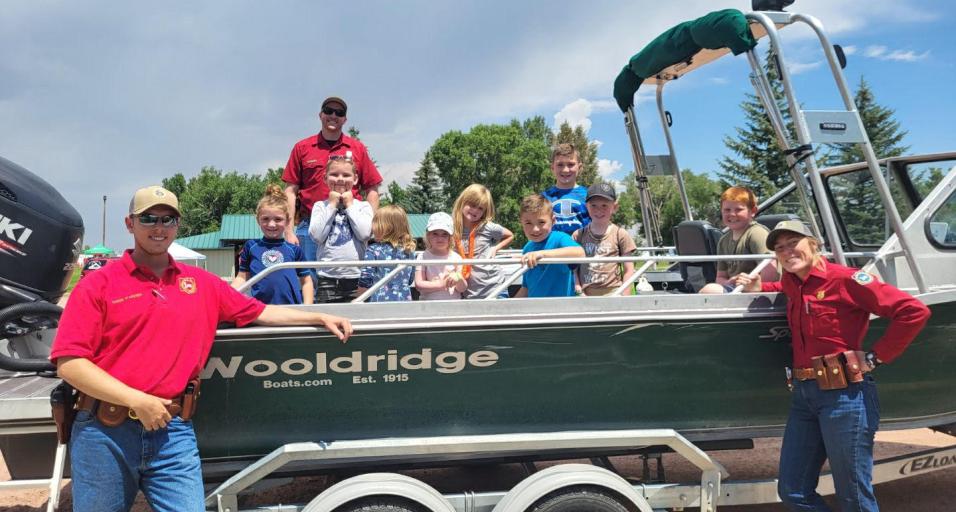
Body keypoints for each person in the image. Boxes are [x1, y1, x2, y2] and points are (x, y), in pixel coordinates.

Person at [50, 185, 352, 512]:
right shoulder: (98, 284)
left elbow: (260, 312)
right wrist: (136, 400)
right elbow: (70, 363)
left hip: (173, 431)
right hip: (104, 434)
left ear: (178, 226)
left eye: (168, 219)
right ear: (130, 224)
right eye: (149, 218)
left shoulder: (202, 284)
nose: (159, 227)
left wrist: (318, 316)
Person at [734, 220, 930, 512]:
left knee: (854, 497)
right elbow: (784, 287)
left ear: (814, 244)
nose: (787, 252)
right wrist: (760, 285)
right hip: (804, 396)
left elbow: (914, 311)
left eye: (793, 243)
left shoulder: (847, 279)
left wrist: (875, 357)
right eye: (779, 248)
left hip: (845, 397)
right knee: (793, 491)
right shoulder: (792, 282)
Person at [282, 96, 383, 277]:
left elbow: (373, 189)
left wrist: (371, 227)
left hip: (351, 227)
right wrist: (288, 230)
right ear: (320, 115)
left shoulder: (357, 148)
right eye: (328, 111)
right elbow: (290, 191)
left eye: (339, 113)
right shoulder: (302, 148)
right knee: (309, 281)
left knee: (351, 282)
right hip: (311, 225)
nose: (333, 115)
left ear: (345, 119)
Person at [231, 184, 313, 304]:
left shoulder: (294, 250)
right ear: (258, 220)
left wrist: (307, 308)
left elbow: (306, 281)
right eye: (265, 219)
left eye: (278, 219)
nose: (271, 224)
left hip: (292, 311)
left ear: (288, 220)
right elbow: (242, 278)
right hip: (261, 312)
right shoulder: (251, 247)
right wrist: (226, 295)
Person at [309, 155, 373, 303]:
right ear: (325, 178)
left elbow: (364, 234)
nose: (340, 179)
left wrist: (350, 205)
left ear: (355, 179)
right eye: (334, 174)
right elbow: (317, 236)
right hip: (327, 277)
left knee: (357, 321)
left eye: (346, 175)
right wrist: (331, 205)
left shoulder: (363, 206)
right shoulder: (320, 206)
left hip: (357, 277)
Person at [699, 186, 778, 294]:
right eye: (727, 210)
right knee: (711, 289)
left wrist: (753, 288)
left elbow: (771, 271)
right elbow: (720, 277)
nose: (732, 214)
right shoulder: (723, 241)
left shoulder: (757, 234)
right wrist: (729, 282)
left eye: (739, 209)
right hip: (735, 290)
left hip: (757, 293)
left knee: (710, 290)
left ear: (753, 211)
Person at [572, 182, 638, 296]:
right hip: (585, 293)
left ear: (615, 207)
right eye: (594, 205)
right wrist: (578, 289)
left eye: (604, 205)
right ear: (586, 206)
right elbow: (573, 268)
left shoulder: (620, 234)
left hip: (613, 292)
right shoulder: (578, 235)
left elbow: (629, 269)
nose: (599, 210)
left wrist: (624, 295)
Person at [515, 193, 585, 298]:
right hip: (535, 310)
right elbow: (526, 287)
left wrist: (542, 254)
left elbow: (580, 253)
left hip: (560, 309)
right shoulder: (527, 248)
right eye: (528, 223)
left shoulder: (560, 238)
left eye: (541, 222)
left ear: (553, 221)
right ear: (521, 223)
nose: (535, 229)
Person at [451, 184, 514, 299]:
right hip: (469, 292)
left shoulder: (487, 227)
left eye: (480, 208)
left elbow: (510, 235)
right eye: (472, 205)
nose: (475, 210)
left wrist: (496, 248)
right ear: (462, 202)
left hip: (495, 287)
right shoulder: (451, 228)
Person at [357, 205, 416, 302]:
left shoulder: (373, 250)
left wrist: (358, 298)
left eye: (375, 222)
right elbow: (410, 279)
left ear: (386, 227)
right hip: (404, 301)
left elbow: (365, 279)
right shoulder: (409, 251)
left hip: (378, 302)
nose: (372, 227)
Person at [415, 212, 467, 300]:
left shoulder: (456, 258)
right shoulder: (423, 256)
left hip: (452, 306)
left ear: (450, 237)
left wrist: (458, 278)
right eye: (435, 234)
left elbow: (462, 289)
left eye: (444, 234)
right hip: (428, 306)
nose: (440, 238)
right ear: (428, 235)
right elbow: (419, 284)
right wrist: (442, 284)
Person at [541, 143, 590, 235]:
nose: (565, 170)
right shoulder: (544, 198)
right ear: (552, 168)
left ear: (579, 167)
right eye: (560, 165)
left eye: (571, 164)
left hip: (582, 248)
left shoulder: (589, 195)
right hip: (553, 248)